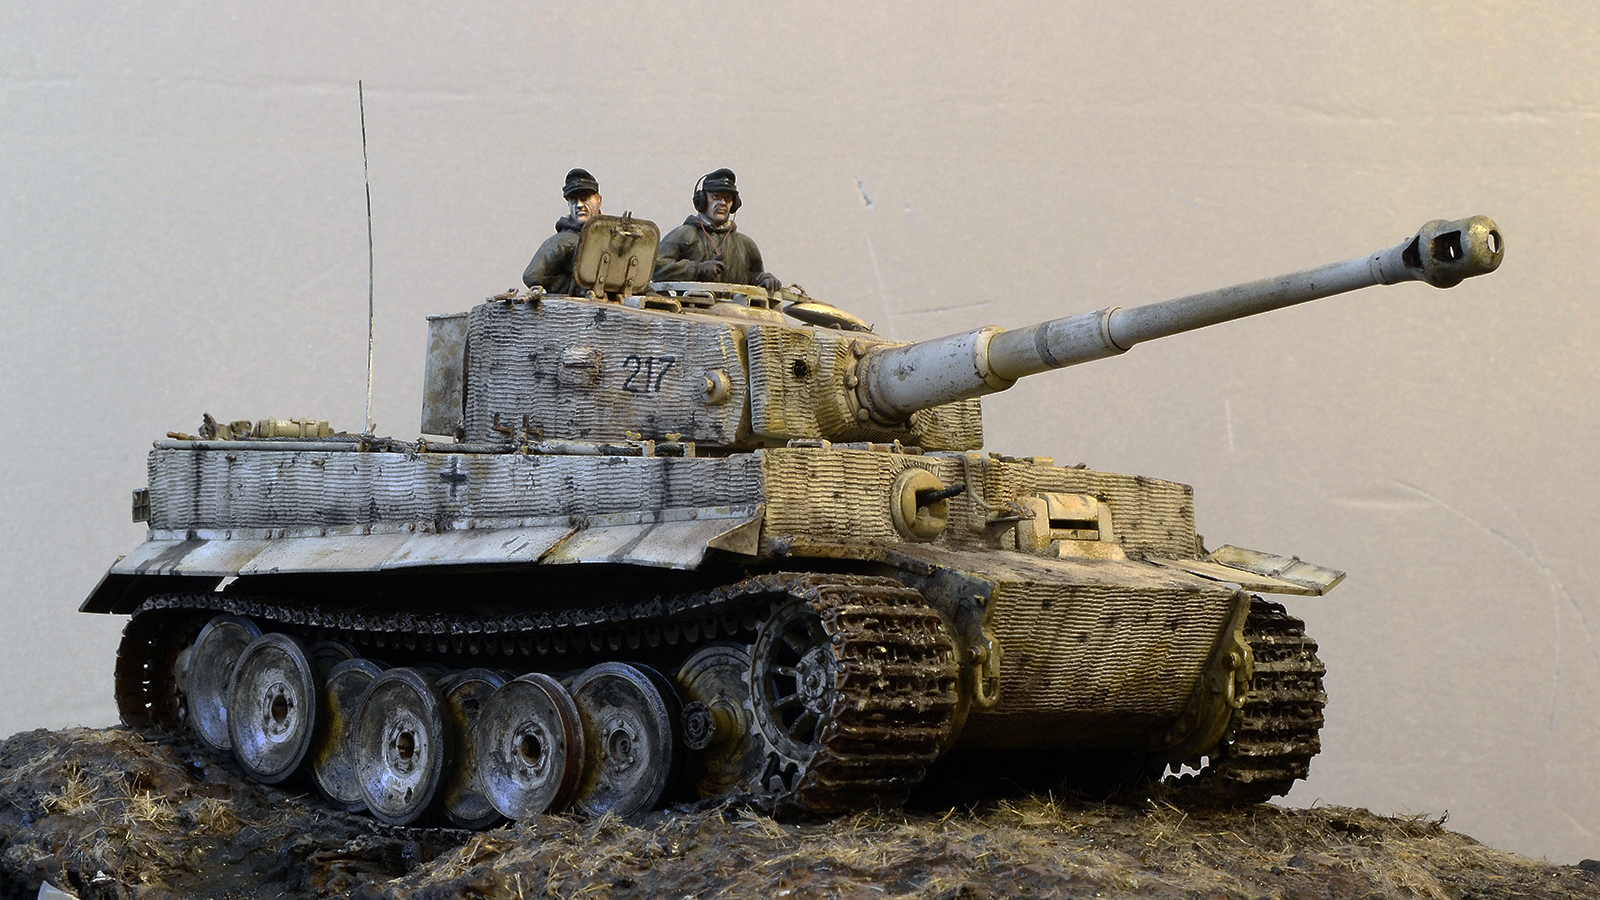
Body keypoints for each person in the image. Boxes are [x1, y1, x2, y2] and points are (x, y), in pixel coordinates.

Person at [653, 168, 781, 291]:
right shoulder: (685, 235)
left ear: (734, 204)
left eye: (727, 198)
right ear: (702, 200)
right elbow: (655, 267)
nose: (722, 203)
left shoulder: (745, 244)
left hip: (735, 306)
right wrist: (698, 269)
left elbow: (752, 276)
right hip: (692, 304)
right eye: (716, 197)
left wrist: (764, 279)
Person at [522, 168, 603, 295]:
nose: (579, 205)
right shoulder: (563, 241)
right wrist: (574, 287)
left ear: (598, 200)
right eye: (573, 200)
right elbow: (532, 276)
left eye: (585, 198)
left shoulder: (613, 234)